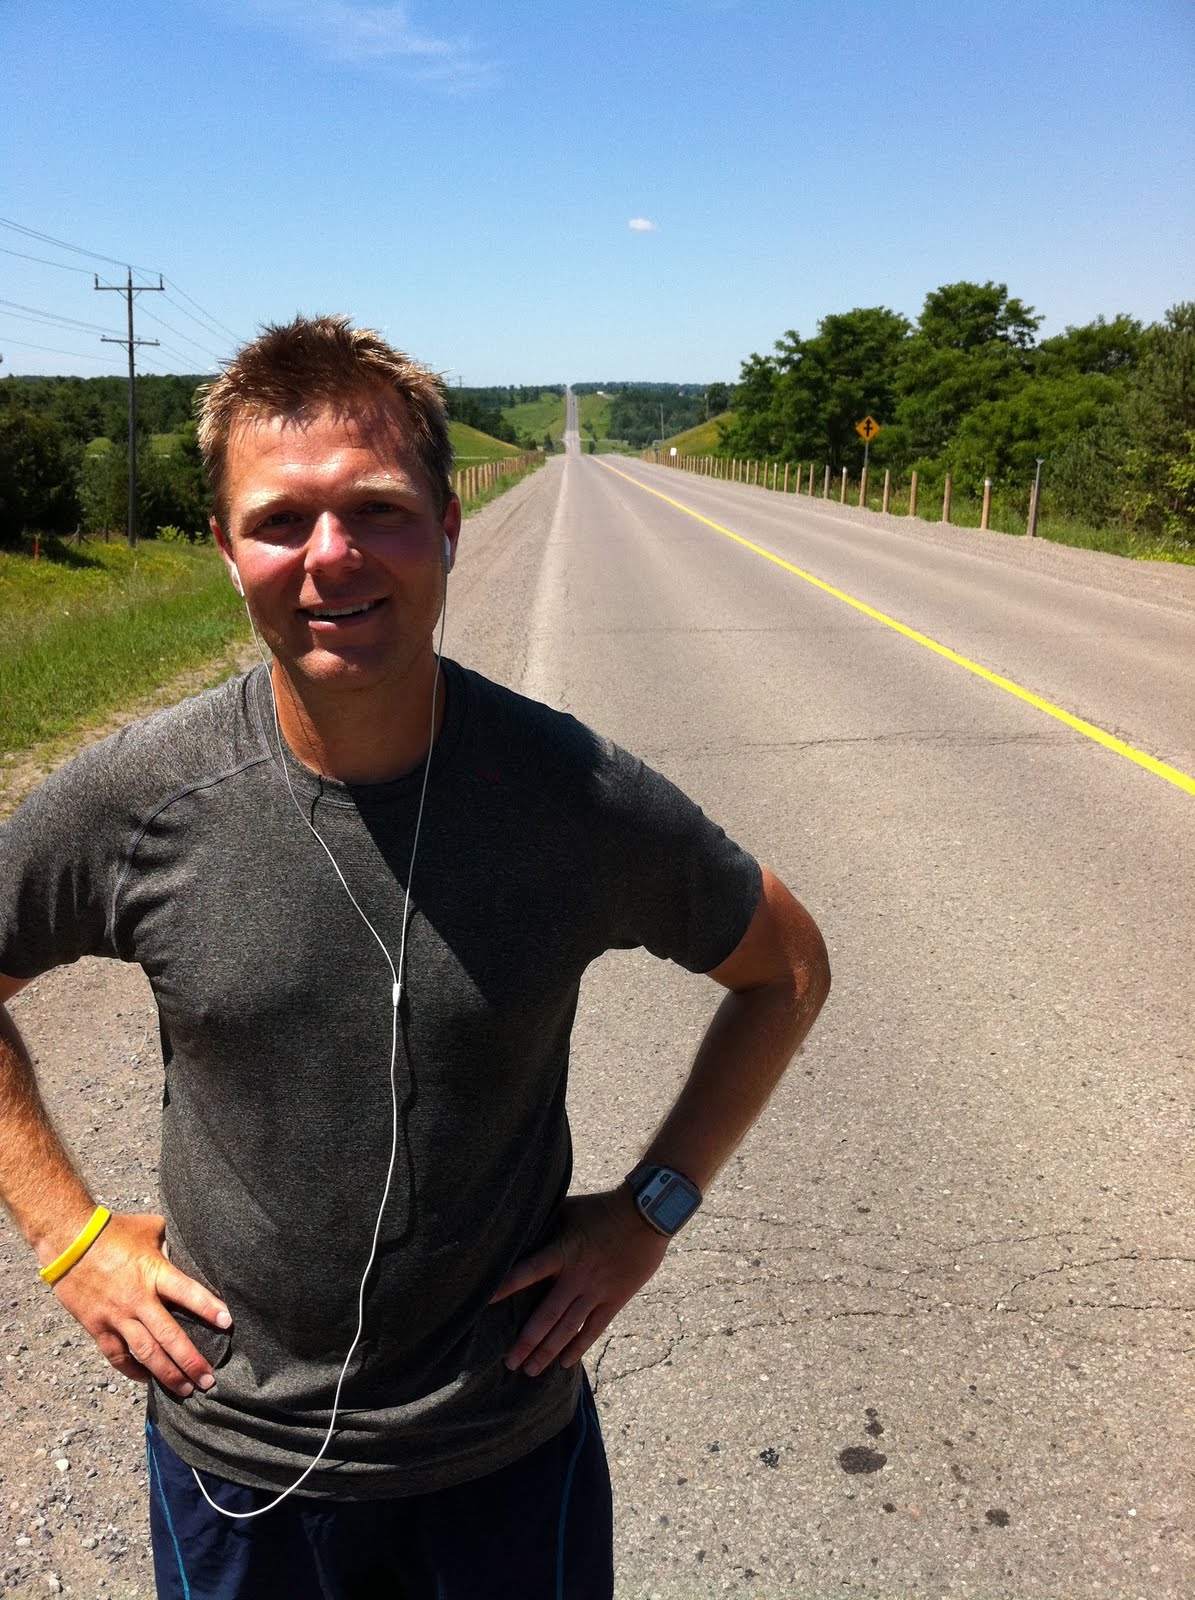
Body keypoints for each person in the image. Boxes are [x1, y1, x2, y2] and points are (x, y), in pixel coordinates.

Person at [0, 316, 830, 1600]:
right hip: (239, 1467)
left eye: (377, 510)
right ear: (225, 550)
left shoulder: (568, 795)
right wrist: (69, 1236)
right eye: (281, 521)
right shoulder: (148, 798)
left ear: (447, 524)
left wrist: (651, 1210)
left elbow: (786, 970)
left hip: (503, 1454)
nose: (331, 555)